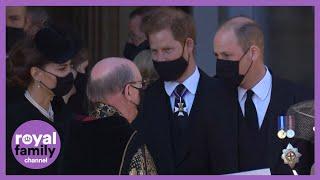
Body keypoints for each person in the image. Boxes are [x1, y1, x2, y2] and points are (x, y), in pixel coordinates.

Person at [134, 7, 238, 174]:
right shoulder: (146, 98)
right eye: (154, 51)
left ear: (188, 45)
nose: (160, 59)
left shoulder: (225, 95)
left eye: (167, 50)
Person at [213, 16, 314, 174]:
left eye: (226, 56)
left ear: (253, 53)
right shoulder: (210, 96)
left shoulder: (301, 100)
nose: (220, 63)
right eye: (216, 56)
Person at [61, 57, 157, 175]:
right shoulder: (132, 142)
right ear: (129, 91)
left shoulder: (65, 133)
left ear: (90, 94)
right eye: (140, 86)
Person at [6, 27, 77, 174]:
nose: (70, 74)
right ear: (36, 73)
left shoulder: (60, 110)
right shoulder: (16, 119)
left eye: (71, 66)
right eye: (62, 68)